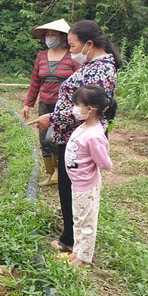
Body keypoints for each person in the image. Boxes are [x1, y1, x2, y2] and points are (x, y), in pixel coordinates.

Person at [33, 19, 120, 253]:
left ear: (88, 44)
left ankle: (72, 242)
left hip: (79, 139)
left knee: (75, 189)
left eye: (72, 46)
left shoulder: (100, 71)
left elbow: (85, 110)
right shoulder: (93, 65)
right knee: (68, 187)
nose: (70, 51)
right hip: (73, 136)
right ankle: (70, 236)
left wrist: (51, 118)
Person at [23, 19, 80, 186]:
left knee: (52, 138)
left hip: (62, 106)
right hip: (45, 103)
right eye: (47, 34)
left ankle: (59, 170)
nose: (49, 37)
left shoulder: (72, 57)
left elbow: (78, 82)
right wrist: (28, 103)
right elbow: (35, 82)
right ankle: (50, 174)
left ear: (62, 37)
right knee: (43, 140)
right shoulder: (41, 56)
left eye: (53, 34)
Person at [65, 85, 113, 266]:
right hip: (77, 184)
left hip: (86, 187)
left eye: (77, 104)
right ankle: (77, 251)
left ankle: (83, 259)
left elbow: (104, 163)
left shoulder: (94, 135)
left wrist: (107, 161)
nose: (74, 108)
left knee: (86, 223)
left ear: (90, 109)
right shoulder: (83, 126)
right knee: (78, 218)